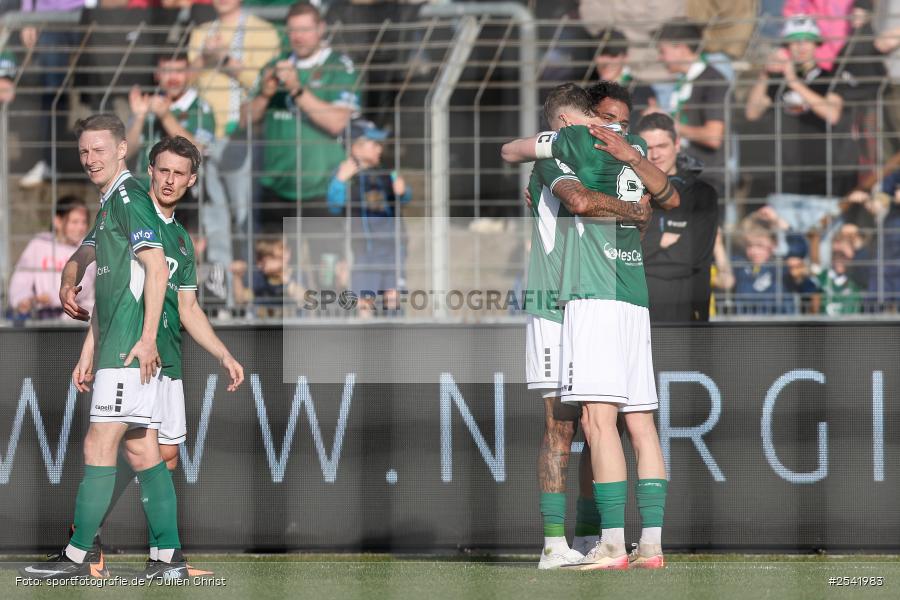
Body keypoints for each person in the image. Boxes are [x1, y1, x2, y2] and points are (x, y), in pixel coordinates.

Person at [502, 82, 677, 570]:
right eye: (599, 120)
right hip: (554, 303)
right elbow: (573, 197)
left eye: (617, 121)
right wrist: (635, 208)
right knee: (563, 425)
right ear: (567, 124)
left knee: (603, 423)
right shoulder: (555, 156)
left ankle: (600, 538)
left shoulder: (610, 156)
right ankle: (556, 542)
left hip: (596, 296)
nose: (609, 131)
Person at [73, 136, 243, 578]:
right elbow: (101, 281)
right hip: (133, 353)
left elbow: (188, 308)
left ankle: (158, 558)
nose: (169, 180)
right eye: (162, 170)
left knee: (162, 455)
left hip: (167, 360)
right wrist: (88, 347)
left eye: (178, 174)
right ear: (150, 169)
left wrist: (223, 353)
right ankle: (90, 541)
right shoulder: (131, 210)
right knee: (130, 449)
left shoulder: (183, 241)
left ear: (191, 181)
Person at [21, 114, 177, 579]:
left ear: (122, 149)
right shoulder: (111, 203)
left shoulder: (128, 197)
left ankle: (79, 555)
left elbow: (157, 269)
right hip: (114, 344)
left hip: (129, 347)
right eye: (84, 151)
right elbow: (85, 255)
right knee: (142, 449)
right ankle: (167, 559)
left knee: (99, 441)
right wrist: (70, 279)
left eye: (99, 150)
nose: (91, 159)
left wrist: (147, 339)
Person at [246, 0, 359, 274]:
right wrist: (265, 94)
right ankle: (274, 315)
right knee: (275, 271)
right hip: (277, 187)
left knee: (327, 272)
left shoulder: (338, 67)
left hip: (321, 188)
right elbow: (245, 120)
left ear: (321, 29)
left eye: (306, 30)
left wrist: (297, 89)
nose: (298, 37)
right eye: (293, 31)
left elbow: (337, 122)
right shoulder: (274, 66)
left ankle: (329, 315)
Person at [189, 0, 280, 279]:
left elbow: (264, 85)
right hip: (204, 139)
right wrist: (204, 59)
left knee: (244, 218)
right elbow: (187, 82)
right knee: (213, 221)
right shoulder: (200, 33)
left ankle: (250, 291)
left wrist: (226, 61)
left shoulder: (264, 32)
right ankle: (221, 293)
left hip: (242, 136)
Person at [746, 17, 855, 230]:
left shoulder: (831, 77)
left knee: (819, 254)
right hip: (785, 185)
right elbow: (752, 112)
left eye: (807, 41)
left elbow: (832, 114)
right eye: (795, 42)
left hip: (824, 186)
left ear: (816, 44)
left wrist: (794, 82)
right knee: (786, 254)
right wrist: (765, 74)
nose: (801, 47)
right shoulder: (778, 81)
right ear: (787, 47)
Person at [634, 113, 719, 323]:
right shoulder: (628, 191)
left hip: (687, 308)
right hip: (636, 304)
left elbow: (693, 256)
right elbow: (618, 253)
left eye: (661, 146)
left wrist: (645, 243)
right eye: (648, 148)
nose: (654, 155)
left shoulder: (702, 193)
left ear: (677, 144)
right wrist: (662, 240)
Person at [327, 119, 410, 317]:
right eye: (374, 144)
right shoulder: (344, 175)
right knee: (364, 301)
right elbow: (334, 205)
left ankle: (394, 337)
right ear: (355, 147)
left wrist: (403, 191)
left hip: (392, 249)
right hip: (363, 251)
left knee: (393, 298)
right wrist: (339, 181)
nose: (379, 149)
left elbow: (404, 197)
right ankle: (365, 340)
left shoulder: (386, 172)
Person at [655, 21, 729, 197]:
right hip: (683, 176)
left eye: (662, 51)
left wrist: (668, 125)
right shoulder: (684, 81)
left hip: (705, 180)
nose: (660, 58)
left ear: (680, 48)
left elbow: (713, 136)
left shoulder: (713, 81)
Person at [126, 52, 216, 188]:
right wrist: (139, 117)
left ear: (188, 73)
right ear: (156, 74)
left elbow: (199, 152)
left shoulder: (200, 108)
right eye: (167, 71)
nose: (173, 78)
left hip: (181, 199)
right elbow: (125, 153)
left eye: (179, 71)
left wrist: (165, 116)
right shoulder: (146, 104)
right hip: (142, 196)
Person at [8, 196, 95, 321]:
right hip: (41, 317)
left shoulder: (88, 247)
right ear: (58, 221)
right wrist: (22, 299)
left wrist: (51, 297)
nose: (80, 227)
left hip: (76, 319)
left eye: (84, 222)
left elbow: (84, 284)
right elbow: (21, 278)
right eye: (74, 222)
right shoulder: (39, 244)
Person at [591, 28, 657, 124]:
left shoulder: (641, 90)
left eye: (613, 55)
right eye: (601, 55)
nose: (606, 62)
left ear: (625, 57)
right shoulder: (586, 90)